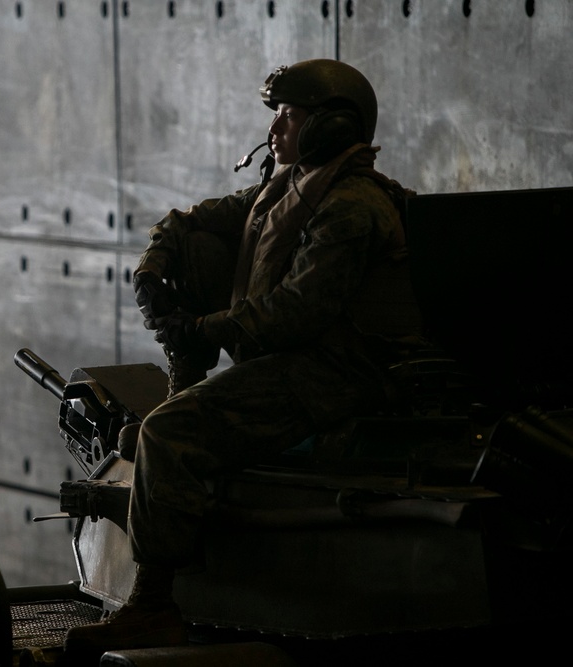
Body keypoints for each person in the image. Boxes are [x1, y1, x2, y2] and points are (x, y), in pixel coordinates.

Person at [64, 59, 424, 656]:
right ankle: (187, 398)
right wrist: (154, 267)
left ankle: (152, 606)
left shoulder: (353, 205)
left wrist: (200, 329)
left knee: (167, 435)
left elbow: (296, 311)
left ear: (330, 126)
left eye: (289, 114)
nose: (276, 126)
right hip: (296, 361)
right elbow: (192, 221)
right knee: (200, 248)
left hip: (343, 373)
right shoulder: (289, 187)